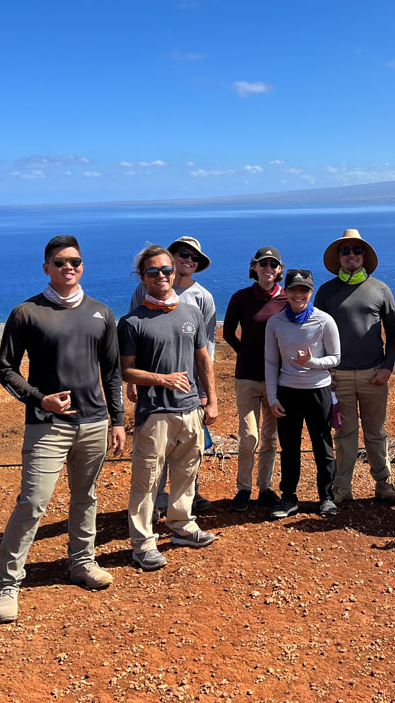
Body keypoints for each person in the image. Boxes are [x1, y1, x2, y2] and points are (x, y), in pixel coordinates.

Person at [0, 235, 125, 624]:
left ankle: (82, 563)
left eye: (76, 262)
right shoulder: (27, 312)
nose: (70, 267)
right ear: (46, 267)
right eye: (61, 262)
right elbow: (6, 368)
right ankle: (7, 585)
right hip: (47, 425)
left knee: (85, 496)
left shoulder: (101, 312)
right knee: (32, 503)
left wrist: (117, 420)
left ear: (83, 267)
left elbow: (112, 372)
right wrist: (39, 399)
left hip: (94, 422)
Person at [118, 245, 219, 568]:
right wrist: (161, 379)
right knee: (147, 479)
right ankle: (143, 542)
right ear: (142, 277)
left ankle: (182, 526)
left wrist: (212, 399)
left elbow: (203, 359)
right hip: (154, 414)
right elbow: (125, 370)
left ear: (174, 273)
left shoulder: (191, 312)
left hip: (190, 409)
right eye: (152, 272)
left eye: (166, 270)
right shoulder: (132, 321)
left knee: (187, 472)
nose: (161, 276)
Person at [129, 236, 215, 516]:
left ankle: (186, 506)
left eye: (193, 257)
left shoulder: (201, 298)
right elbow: (133, 341)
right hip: (154, 395)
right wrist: (133, 382)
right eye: (182, 254)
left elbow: (206, 349)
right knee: (154, 455)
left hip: (190, 391)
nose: (187, 259)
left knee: (189, 449)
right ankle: (154, 504)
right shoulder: (142, 296)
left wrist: (206, 391)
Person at [314, 229, 395, 504]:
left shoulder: (380, 289)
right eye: (345, 251)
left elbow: (394, 333)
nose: (351, 255)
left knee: (376, 431)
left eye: (356, 250)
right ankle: (342, 488)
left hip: (374, 374)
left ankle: (384, 483)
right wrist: (325, 372)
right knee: (344, 433)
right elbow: (315, 334)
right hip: (338, 376)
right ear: (338, 257)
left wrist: (387, 367)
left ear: (364, 256)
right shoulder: (327, 292)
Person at [264, 269, 341, 518]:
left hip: (318, 391)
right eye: (293, 290)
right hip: (288, 392)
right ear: (285, 292)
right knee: (290, 447)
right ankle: (289, 497)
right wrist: (273, 397)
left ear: (311, 291)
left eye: (303, 290)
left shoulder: (325, 320)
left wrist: (312, 362)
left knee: (323, 445)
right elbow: (271, 362)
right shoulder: (275, 323)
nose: (298, 295)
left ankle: (326, 497)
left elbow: (336, 358)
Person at [222, 246, 288, 512]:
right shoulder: (241, 297)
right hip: (247, 378)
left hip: (278, 379)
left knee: (270, 437)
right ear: (254, 268)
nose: (268, 269)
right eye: (263, 264)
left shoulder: (287, 298)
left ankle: (265, 488)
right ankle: (243, 488)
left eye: (273, 264)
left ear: (280, 269)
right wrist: (245, 354)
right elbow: (227, 332)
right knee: (249, 436)